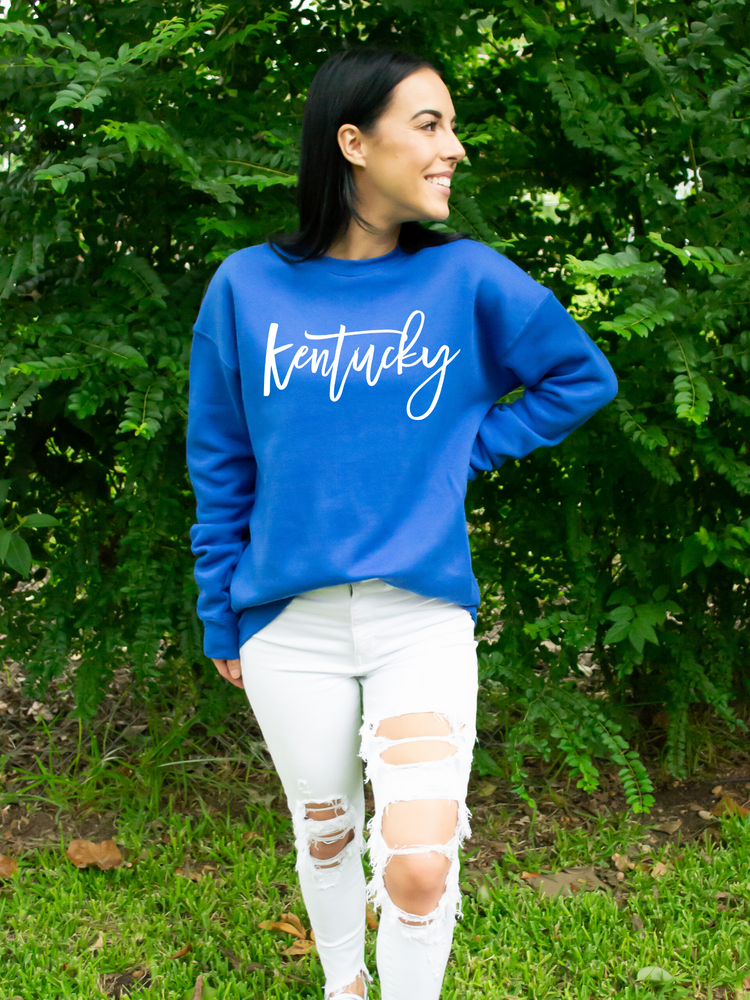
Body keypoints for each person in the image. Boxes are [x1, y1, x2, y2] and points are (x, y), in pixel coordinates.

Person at [186, 47, 618, 1000]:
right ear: (353, 142)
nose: (453, 147)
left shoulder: (467, 278)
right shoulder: (245, 287)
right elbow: (221, 463)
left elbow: (581, 377)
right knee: (325, 832)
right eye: (429, 125)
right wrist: (222, 613)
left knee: (419, 863)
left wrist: (465, 452)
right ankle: (344, 986)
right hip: (286, 625)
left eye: (450, 126)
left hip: (419, 618)